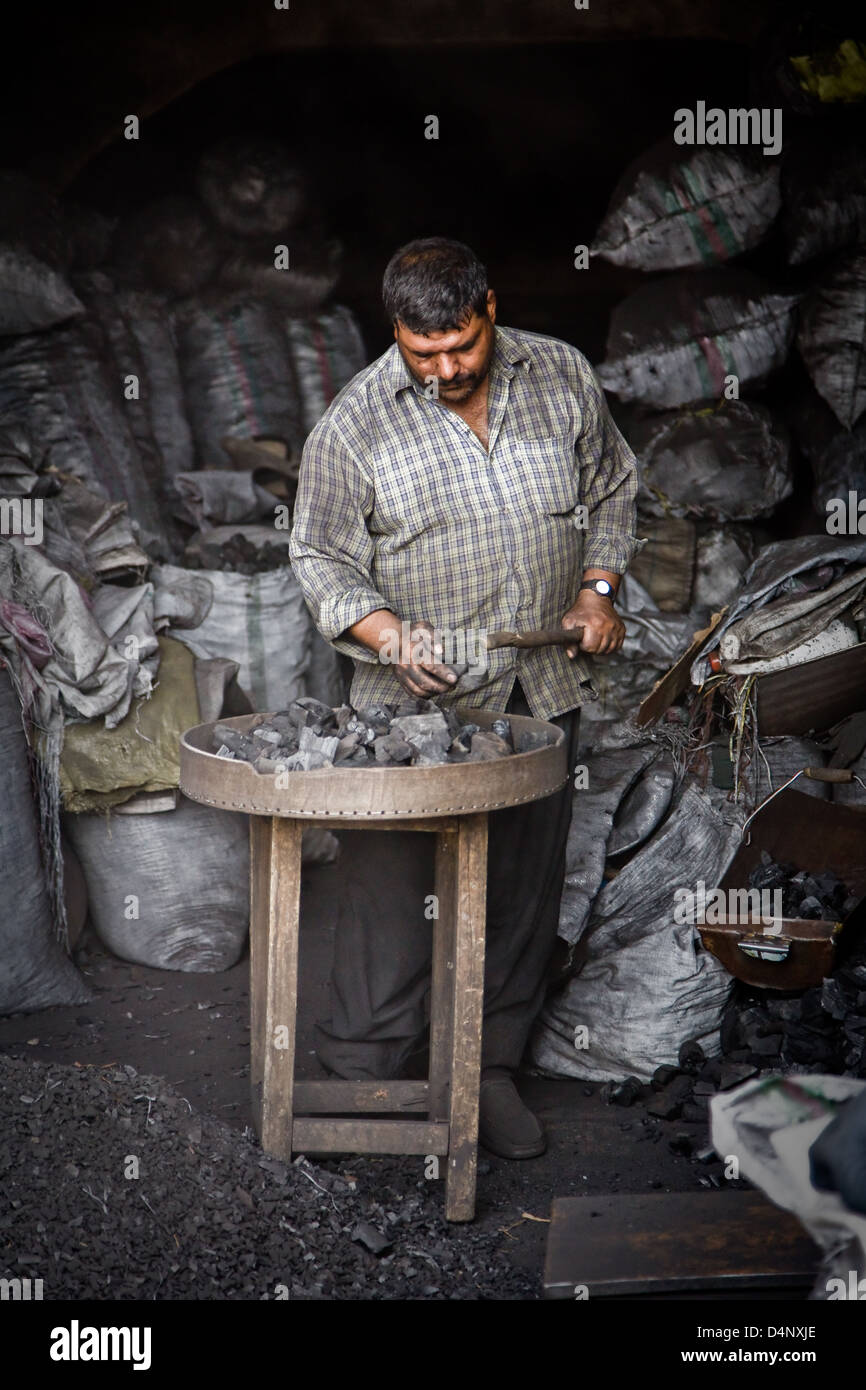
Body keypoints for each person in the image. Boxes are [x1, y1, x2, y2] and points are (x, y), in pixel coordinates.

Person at [289, 237, 639, 1158]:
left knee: (523, 887)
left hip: (542, 683)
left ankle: (487, 1071)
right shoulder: (357, 421)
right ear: (394, 331)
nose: (444, 369)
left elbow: (612, 486)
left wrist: (597, 591)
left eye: (460, 348)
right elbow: (319, 555)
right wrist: (384, 630)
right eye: (421, 352)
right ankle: (365, 1070)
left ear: (490, 305)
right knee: (393, 893)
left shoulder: (560, 374)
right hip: (411, 710)